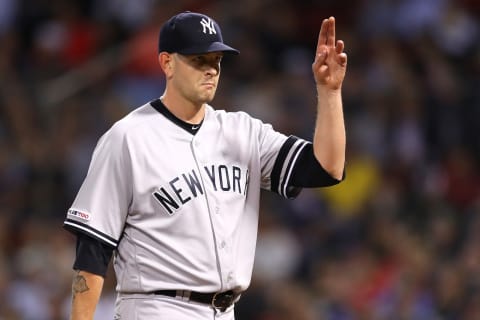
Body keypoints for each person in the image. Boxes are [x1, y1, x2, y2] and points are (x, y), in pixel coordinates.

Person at [63, 11, 347, 320]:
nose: (211, 70)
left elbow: (325, 168)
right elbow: (93, 250)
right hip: (156, 308)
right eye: (199, 60)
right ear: (167, 63)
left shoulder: (242, 131)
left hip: (225, 311)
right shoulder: (128, 138)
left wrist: (329, 92)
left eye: (216, 61)